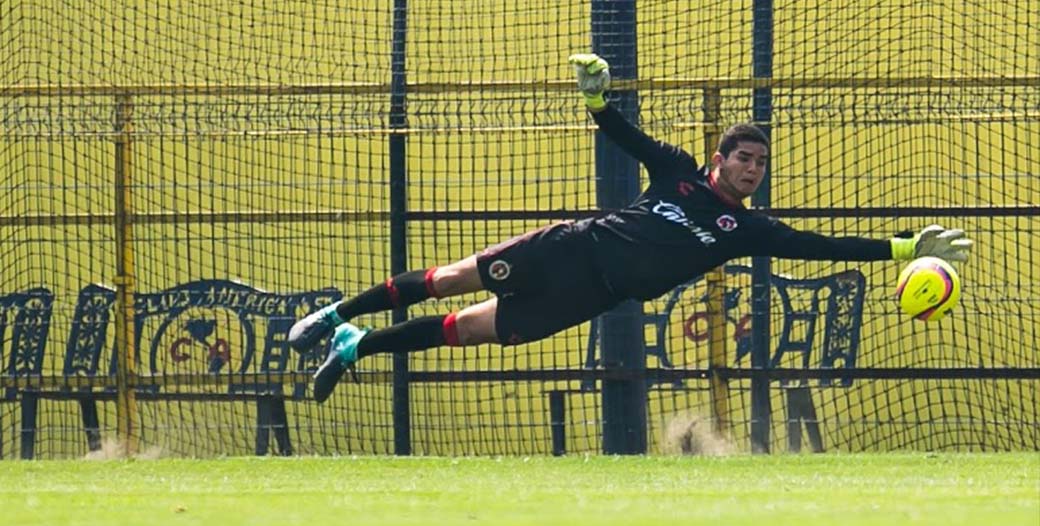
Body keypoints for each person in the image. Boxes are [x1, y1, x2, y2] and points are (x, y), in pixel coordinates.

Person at [291, 53, 973, 403]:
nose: (753, 170)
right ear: (719, 159)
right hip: (567, 249)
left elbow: (818, 245)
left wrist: (907, 247)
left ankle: (356, 348)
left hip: (591, 296)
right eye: (744, 158)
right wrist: (597, 97)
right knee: (447, 282)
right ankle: (334, 316)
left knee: (468, 331)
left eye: (762, 163)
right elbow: (624, 134)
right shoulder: (677, 171)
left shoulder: (746, 228)